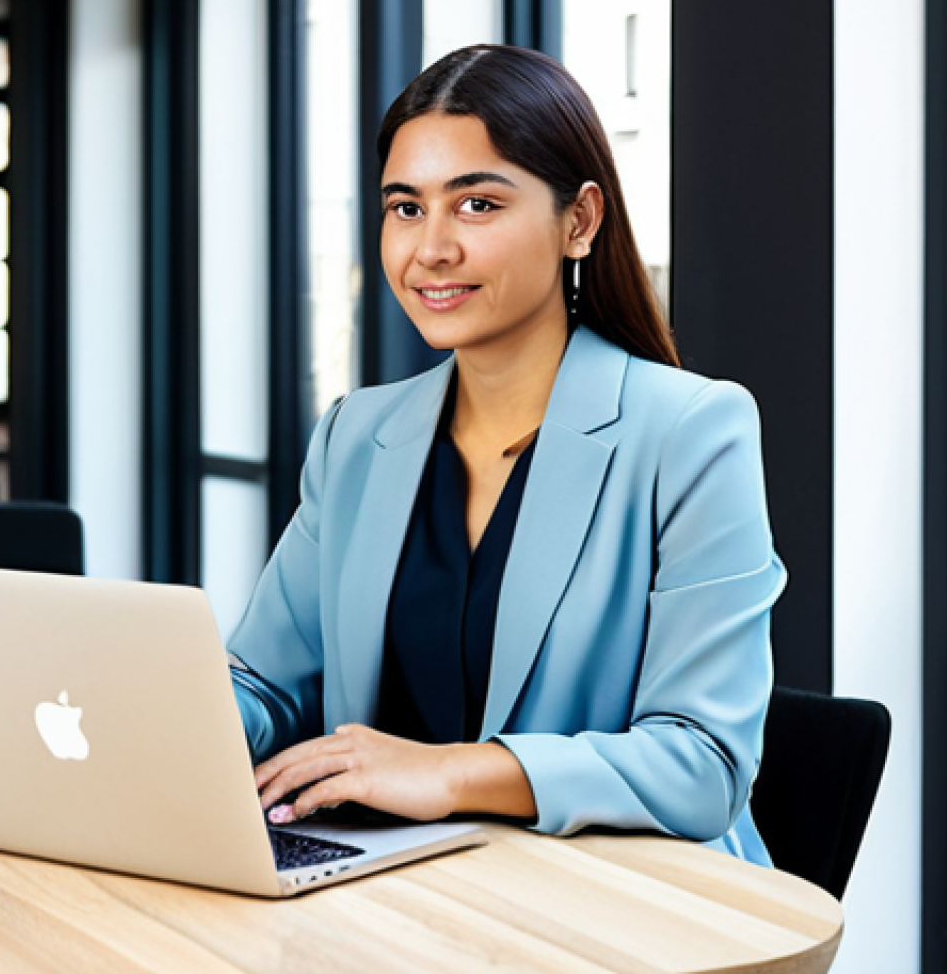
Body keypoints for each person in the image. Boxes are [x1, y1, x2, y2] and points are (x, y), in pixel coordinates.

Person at [228, 44, 786, 864]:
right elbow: (269, 682)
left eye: (477, 205)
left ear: (580, 220)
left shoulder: (692, 432)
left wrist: (451, 774)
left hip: (619, 906)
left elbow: (702, 765)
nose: (431, 250)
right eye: (405, 208)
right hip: (395, 892)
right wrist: (167, 715)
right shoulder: (357, 436)